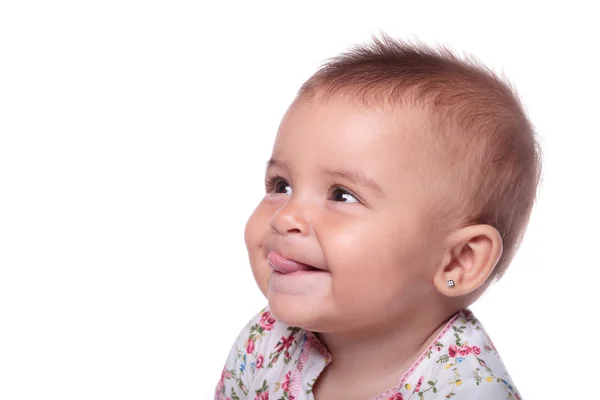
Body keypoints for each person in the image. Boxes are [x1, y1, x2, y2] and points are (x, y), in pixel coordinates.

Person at [215, 34, 541, 400]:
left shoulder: (466, 391)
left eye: (342, 195)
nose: (285, 216)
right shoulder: (266, 342)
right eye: (281, 185)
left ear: (458, 261)